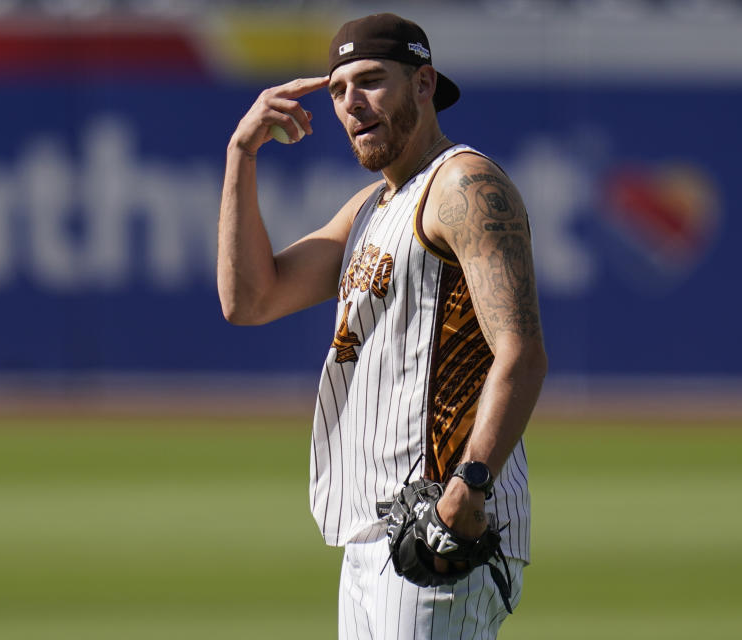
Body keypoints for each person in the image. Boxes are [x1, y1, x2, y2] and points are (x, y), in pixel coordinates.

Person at [217, 13, 547, 640]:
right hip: (373, 534)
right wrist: (241, 155)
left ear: (424, 84)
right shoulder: (373, 207)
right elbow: (250, 299)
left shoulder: (464, 185)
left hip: (445, 528)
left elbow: (522, 354)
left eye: (372, 81)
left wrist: (470, 485)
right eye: (339, 89)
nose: (351, 104)